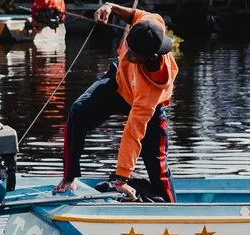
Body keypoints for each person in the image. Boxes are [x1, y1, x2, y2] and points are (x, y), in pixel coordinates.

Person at [61, 12, 177, 201]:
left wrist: (121, 178)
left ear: (150, 57)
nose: (126, 54)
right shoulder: (150, 23)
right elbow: (135, 14)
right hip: (119, 83)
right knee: (78, 111)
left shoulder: (149, 93)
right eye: (127, 47)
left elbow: (132, 133)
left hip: (147, 107)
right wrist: (111, 7)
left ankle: (171, 210)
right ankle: (69, 177)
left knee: (159, 170)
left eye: (132, 54)